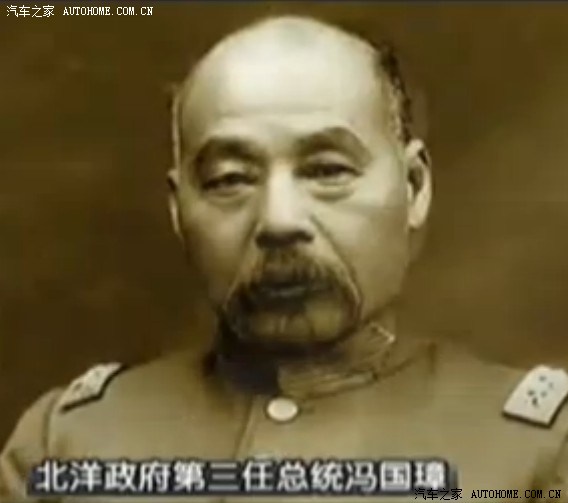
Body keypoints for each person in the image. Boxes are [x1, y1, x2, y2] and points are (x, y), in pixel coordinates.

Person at [1, 15, 567, 503]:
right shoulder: (68, 443)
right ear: (178, 210)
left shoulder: (538, 451)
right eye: (229, 179)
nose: (278, 220)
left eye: (327, 171)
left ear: (413, 187)